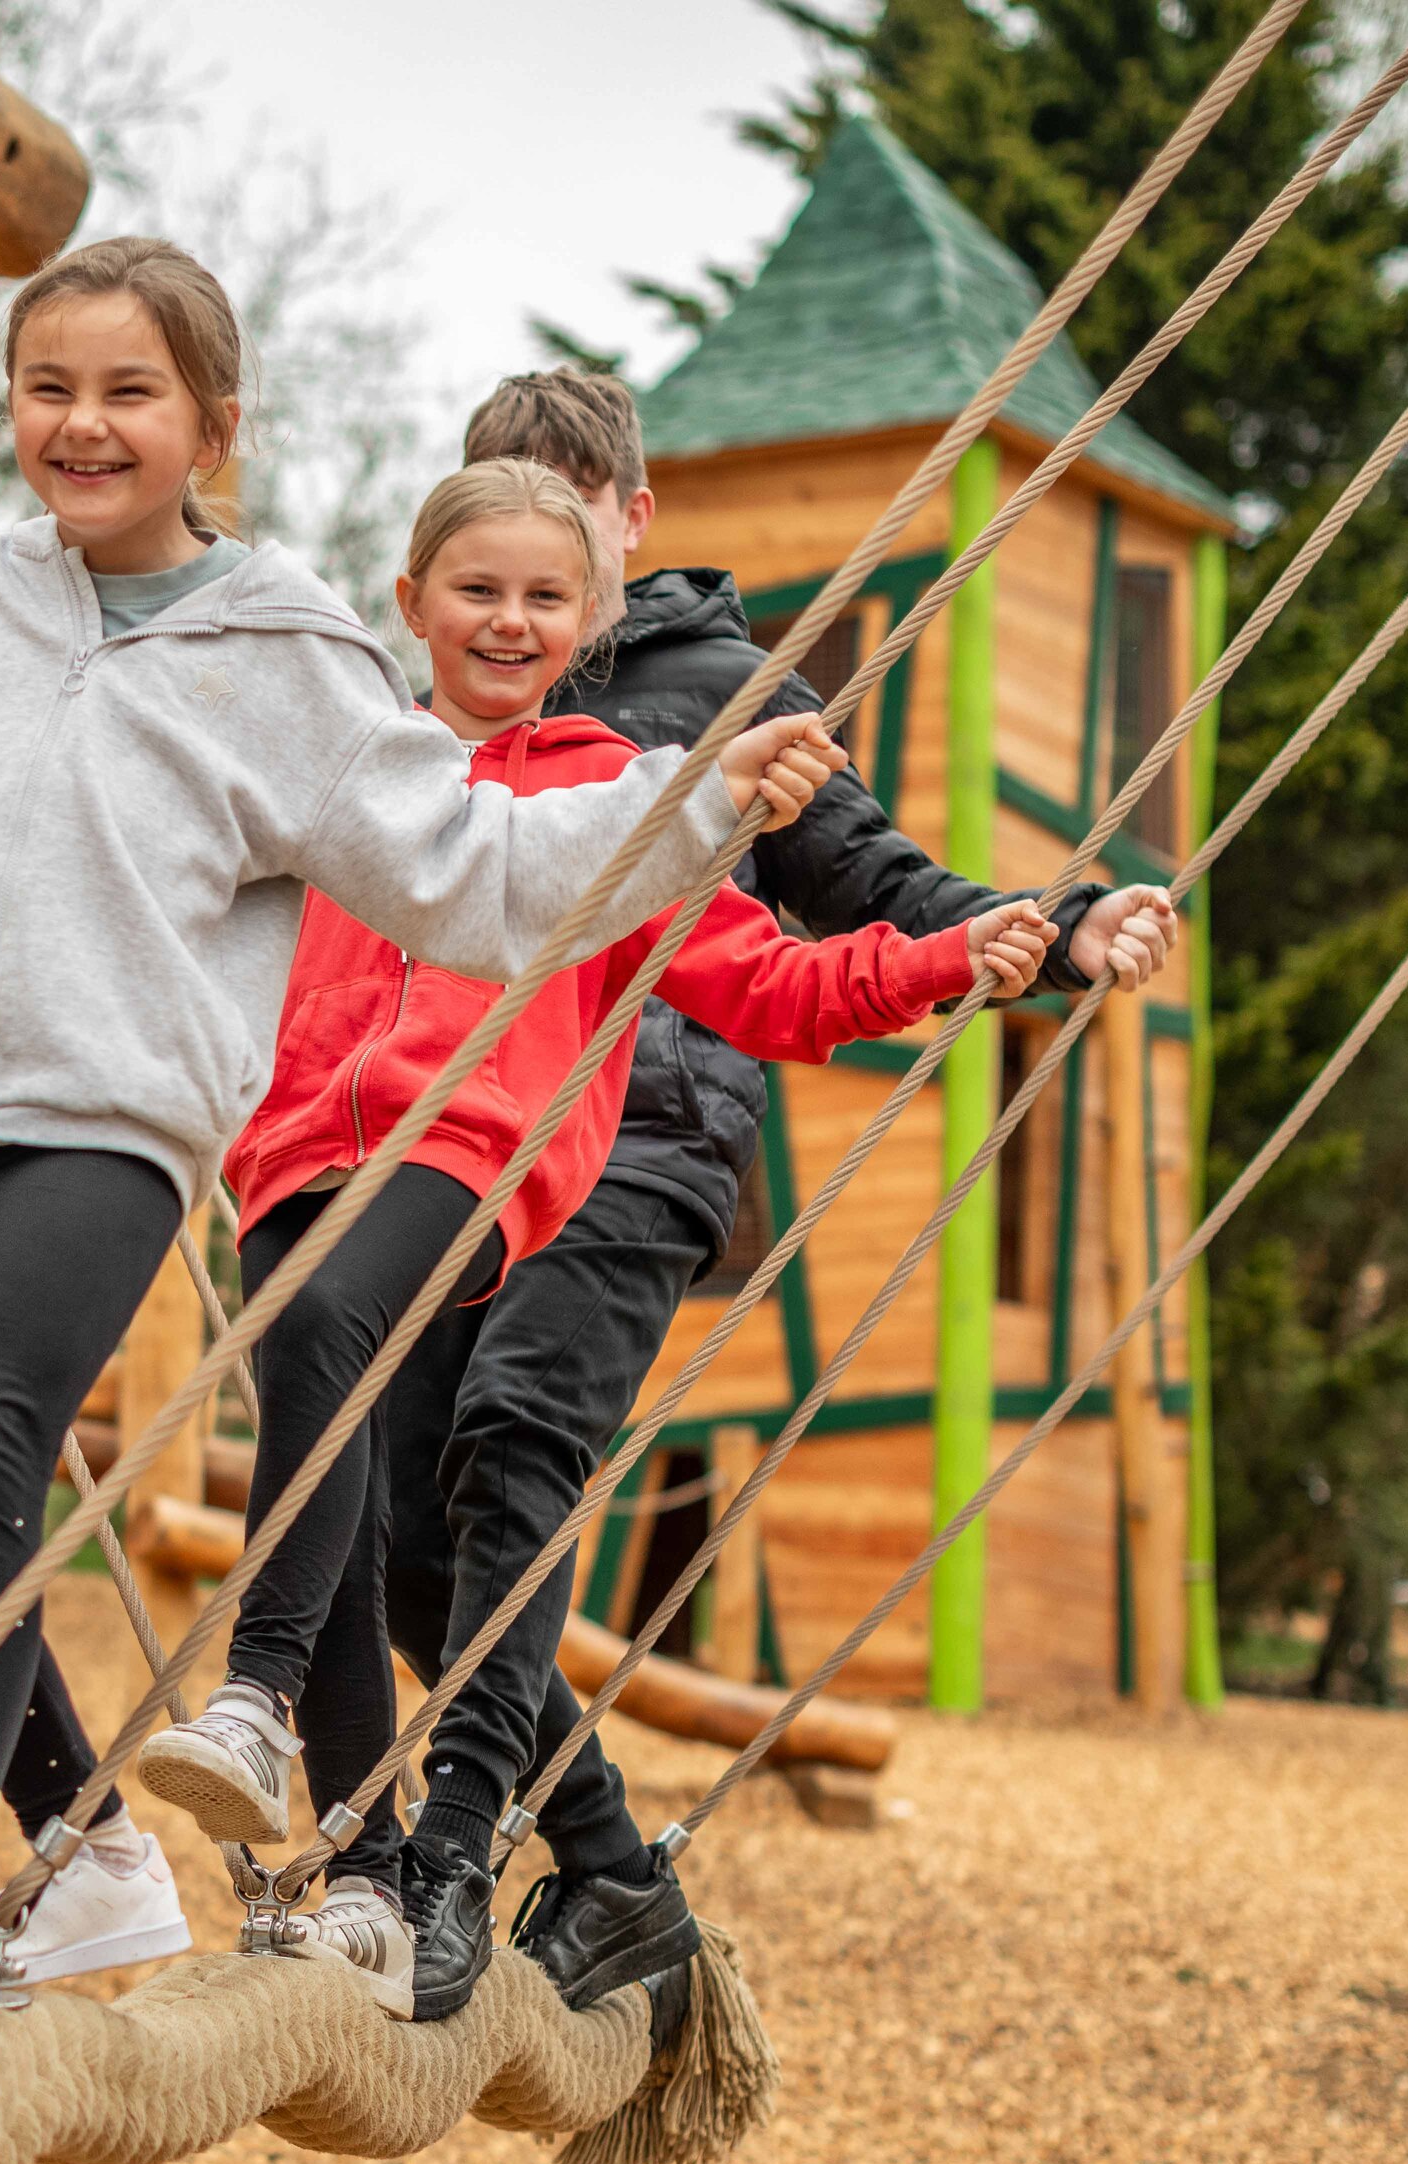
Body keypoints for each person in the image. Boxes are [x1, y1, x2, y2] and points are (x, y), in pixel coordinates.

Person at [0, 244, 845, 2140]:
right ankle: (85, 1839)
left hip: (105, 1121)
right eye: (48, 386)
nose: (83, 424)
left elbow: (470, 867)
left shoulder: (280, 645)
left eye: (129, 392)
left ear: (211, 428)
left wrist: (703, 804)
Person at [134, 458, 1051, 2015]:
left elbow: (770, 983)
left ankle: (258, 1695)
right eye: (474, 590)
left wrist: (946, 959)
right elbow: (172, 917)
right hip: (294, 1157)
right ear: (410, 602)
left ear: (589, 620)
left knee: (330, 1353)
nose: (504, 620)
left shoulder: (615, 802)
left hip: (469, 1157)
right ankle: (362, 1877)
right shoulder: (345, 771)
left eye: (542, 598)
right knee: (360, 1520)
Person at [345, 368, 1177, 2023]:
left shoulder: (718, 688)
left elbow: (866, 881)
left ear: (628, 522)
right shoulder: (434, 709)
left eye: (567, 526)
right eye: (493, 528)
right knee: (388, 1525)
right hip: (458, 1131)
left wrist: (1054, 919)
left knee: (516, 1440)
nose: (528, 578)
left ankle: (446, 1855)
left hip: (646, 1120)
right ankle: (607, 1875)